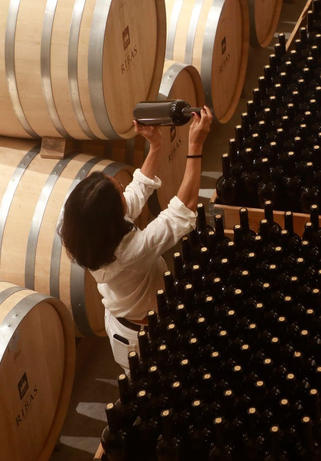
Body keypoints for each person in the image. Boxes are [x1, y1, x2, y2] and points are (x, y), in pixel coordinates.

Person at [60, 107, 213, 369]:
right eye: (120, 190)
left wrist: (155, 146)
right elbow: (183, 210)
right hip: (142, 335)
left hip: (120, 321)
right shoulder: (131, 252)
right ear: (112, 215)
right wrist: (195, 144)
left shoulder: (79, 229)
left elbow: (137, 190)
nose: (124, 188)